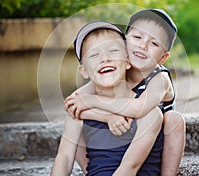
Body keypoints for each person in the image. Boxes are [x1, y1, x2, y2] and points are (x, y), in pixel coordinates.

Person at [66, 9, 186, 175]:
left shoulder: (159, 78)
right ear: (123, 41)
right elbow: (74, 102)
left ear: (162, 58)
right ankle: (93, 170)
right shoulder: (115, 69)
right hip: (119, 139)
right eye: (137, 37)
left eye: (154, 44)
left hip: (150, 143)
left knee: (174, 120)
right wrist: (107, 117)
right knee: (75, 122)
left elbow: (139, 108)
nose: (143, 46)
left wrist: (93, 102)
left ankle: (167, 173)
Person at [51, 21, 163, 176]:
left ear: (128, 62)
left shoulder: (149, 114)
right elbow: (64, 158)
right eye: (94, 55)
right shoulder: (79, 113)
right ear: (84, 71)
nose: (105, 58)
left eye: (113, 51)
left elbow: (130, 168)